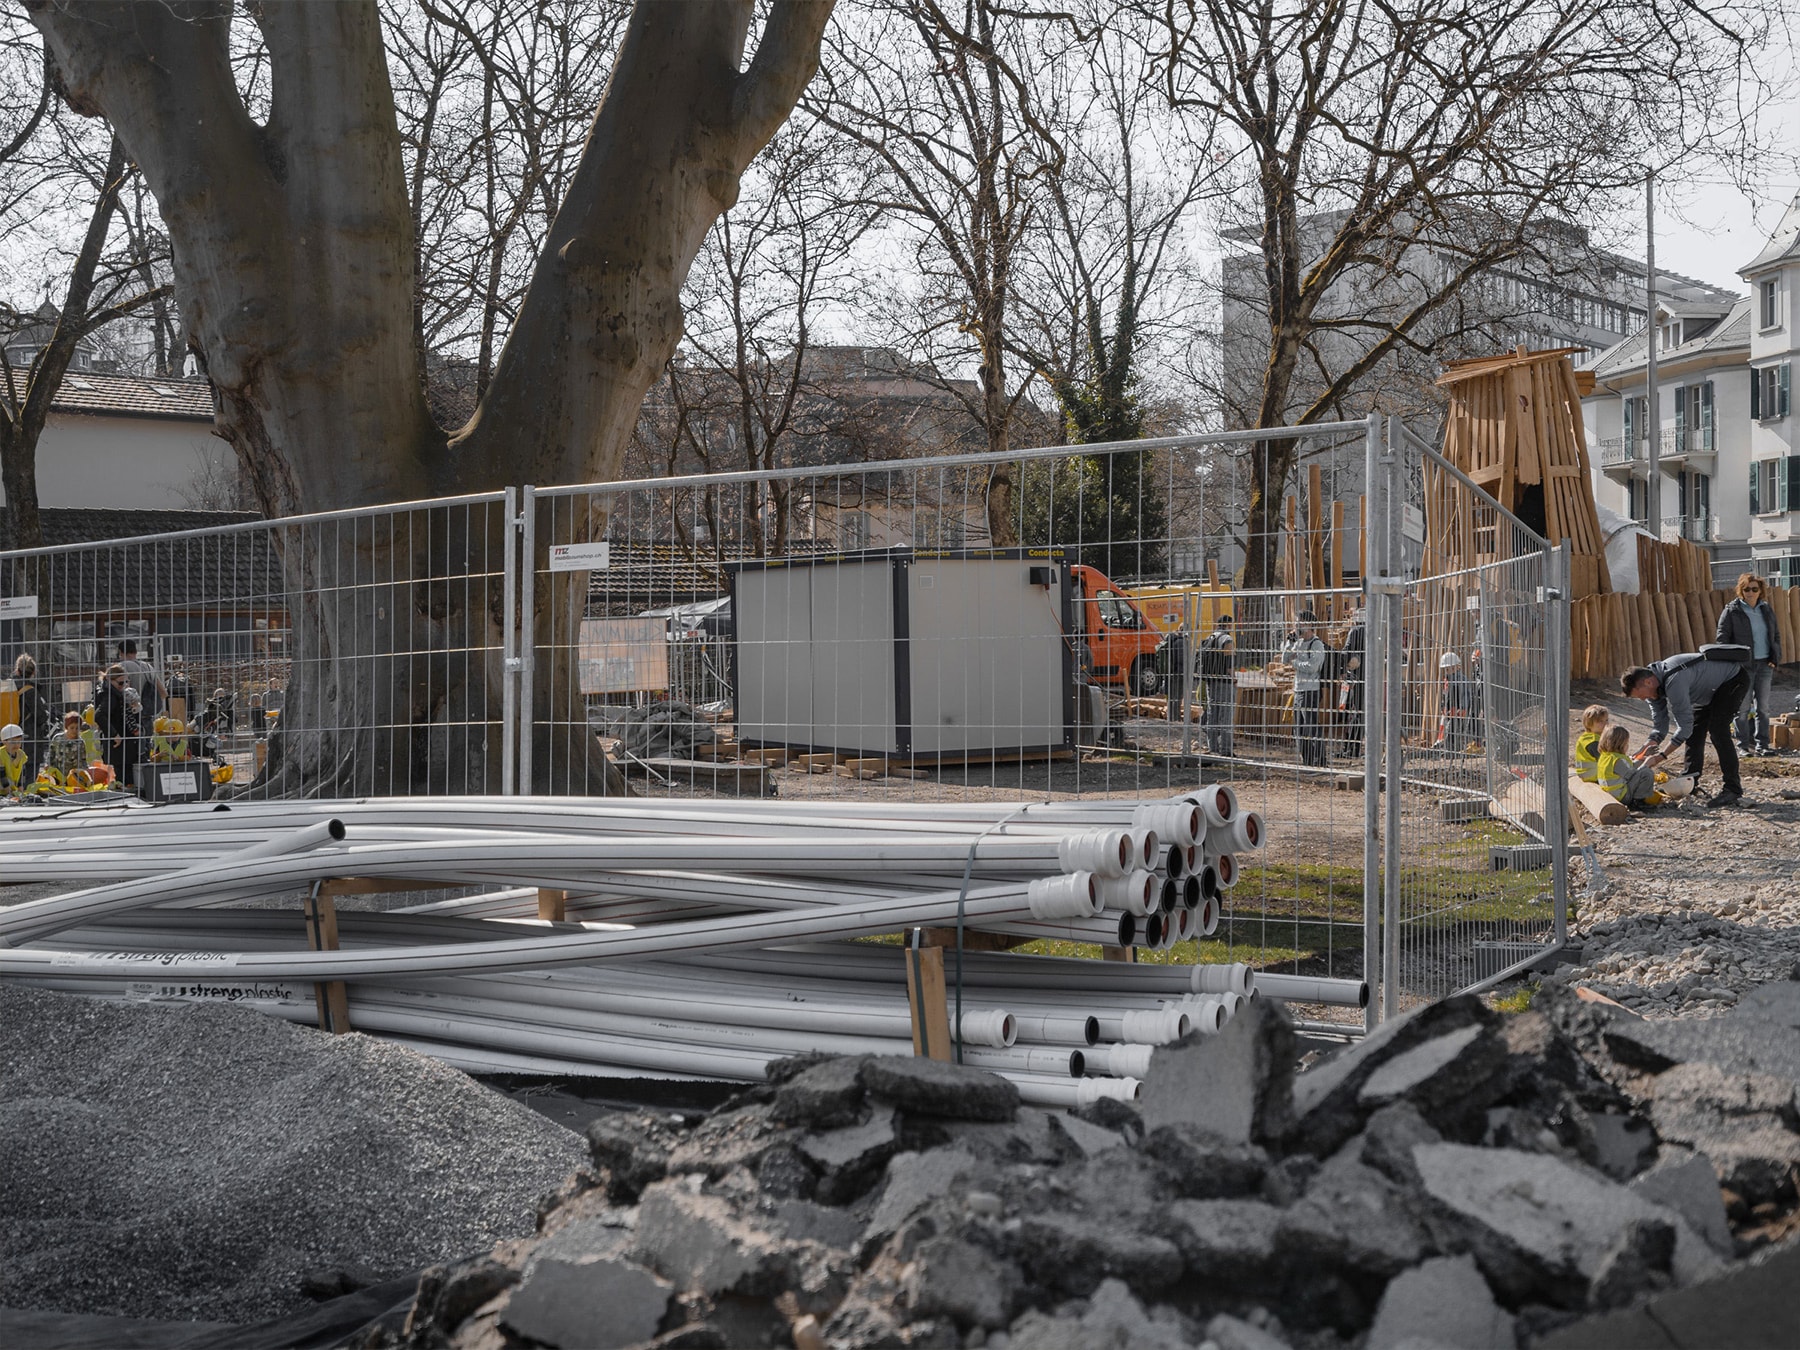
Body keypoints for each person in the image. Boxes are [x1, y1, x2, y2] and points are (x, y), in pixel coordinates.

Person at [1620, 651, 1752, 808]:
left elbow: (1684, 727)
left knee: (1718, 731)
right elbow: (1660, 724)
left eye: (1641, 695)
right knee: (1696, 730)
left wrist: (1660, 757)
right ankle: (1690, 780)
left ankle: (1732, 789)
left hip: (1732, 679)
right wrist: (1646, 747)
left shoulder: (1673, 681)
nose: (1643, 699)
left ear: (1648, 682)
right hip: (1708, 690)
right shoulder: (1653, 685)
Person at [1716, 573, 1784, 757]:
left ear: (1760, 590)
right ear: (1741, 590)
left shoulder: (1766, 609)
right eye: (1747, 589)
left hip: (1764, 664)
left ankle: (1763, 745)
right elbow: (1722, 638)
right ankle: (1743, 746)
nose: (1751, 592)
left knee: (1763, 707)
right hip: (1742, 666)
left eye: (1754, 589)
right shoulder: (1732, 610)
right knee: (1743, 707)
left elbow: (1775, 635)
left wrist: (1775, 657)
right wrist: (1732, 662)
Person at [1282, 610, 1328, 768]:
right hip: (1298, 689)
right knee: (1299, 730)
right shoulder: (1298, 643)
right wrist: (1289, 643)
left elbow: (1313, 667)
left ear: (1308, 625)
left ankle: (1320, 760)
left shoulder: (1317, 644)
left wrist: (1294, 664)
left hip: (1311, 690)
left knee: (1311, 727)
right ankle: (1307, 761)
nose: (1296, 626)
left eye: (1299, 623)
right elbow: (1284, 659)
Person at [1595, 724, 1662, 809]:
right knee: (1646, 773)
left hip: (1611, 792)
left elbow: (1630, 766)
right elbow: (1633, 775)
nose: (1627, 746)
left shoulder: (1607, 756)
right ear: (1619, 744)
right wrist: (1646, 764)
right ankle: (1638, 802)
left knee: (1643, 771)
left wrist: (1643, 756)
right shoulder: (1617, 761)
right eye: (1626, 743)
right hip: (1622, 796)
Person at [95, 662, 137, 789]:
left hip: (121, 744)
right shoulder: (110, 696)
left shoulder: (112, 693)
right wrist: (115, 735)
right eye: (120, 683)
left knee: (125, 777)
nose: (123, 686)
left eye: (126, 682)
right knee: (124, 777)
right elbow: (99, 716)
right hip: (119, 745)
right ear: (109, 680)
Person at [1200, 614, 1236, 756]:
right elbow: (1229, 661)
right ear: (1228, 625)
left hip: (1211, 681)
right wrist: (1233, 678)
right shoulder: (1227, 639)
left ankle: (1212, 747)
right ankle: (1226, 750)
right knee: (1226, 716)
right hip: (1224, 681)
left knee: (1212, 715)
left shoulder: (1210, 638)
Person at [9, 653, 43, 778]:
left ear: (17, 670)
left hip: (8, 737)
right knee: (29, 778)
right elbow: (41, 716)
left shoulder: (7, 687)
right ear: (33, 672)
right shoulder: (30, 691)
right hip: (29, 738)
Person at [1338, 610, 1366, 757]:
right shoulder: (1375, 632)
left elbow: (1346, 651)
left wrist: (1342, 668)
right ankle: (1354, 748)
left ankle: (1349, 749)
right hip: (1370, 678)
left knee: (1351, 713)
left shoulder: (1355, 631)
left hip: (1354, 678)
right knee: (1360, 714)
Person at [118, 639, 165, 724]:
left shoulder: (121, 667)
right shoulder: (148, 667)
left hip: (129, 716)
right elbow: (163, 692)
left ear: (120, 652)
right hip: (147, 717)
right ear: (136, 652)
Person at [1435, 652, 1472, 752]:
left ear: (1458, 667)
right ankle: (1449, 747)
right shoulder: (1448, 680)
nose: (1449, 671)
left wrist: (1463, 708)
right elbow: (1445, 695)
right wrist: (1443, 706)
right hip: (1451, 709)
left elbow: (1466, 695)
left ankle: (1453, 748)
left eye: (1451, 668)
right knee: (1449, 728)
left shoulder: (1461, 680)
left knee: (1454, 729)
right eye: (1447, 669)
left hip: (1458, 709)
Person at [47, 711, 95, 776]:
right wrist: (49, 768)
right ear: (67, 727)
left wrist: (86, 771)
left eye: (77, 728)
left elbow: (83, 760)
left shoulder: (80, 742)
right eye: (72, 728)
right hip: (58, 774)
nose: (74, 730)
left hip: (75, 776)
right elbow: (51, 756)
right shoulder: (57, 739)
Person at [1573, 704, 1610, 782]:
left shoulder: (1586, 737)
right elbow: (1606, 760)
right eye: (1600, 721)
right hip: (1593, 776)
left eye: (1606, 720)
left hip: (1586, 774)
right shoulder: (1593, 741)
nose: (1605, 724)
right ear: (1589, 723)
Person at [1, 723, 29, 794]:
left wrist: (21, 786)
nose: (16, 745)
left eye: (19, 742)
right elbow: (1, 774)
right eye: (13, 742)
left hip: (12, 790)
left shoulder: (21, 754)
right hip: (3, 789)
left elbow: (23, 772)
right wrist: (6, 788)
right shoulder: (1, 754)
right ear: (4, 741)